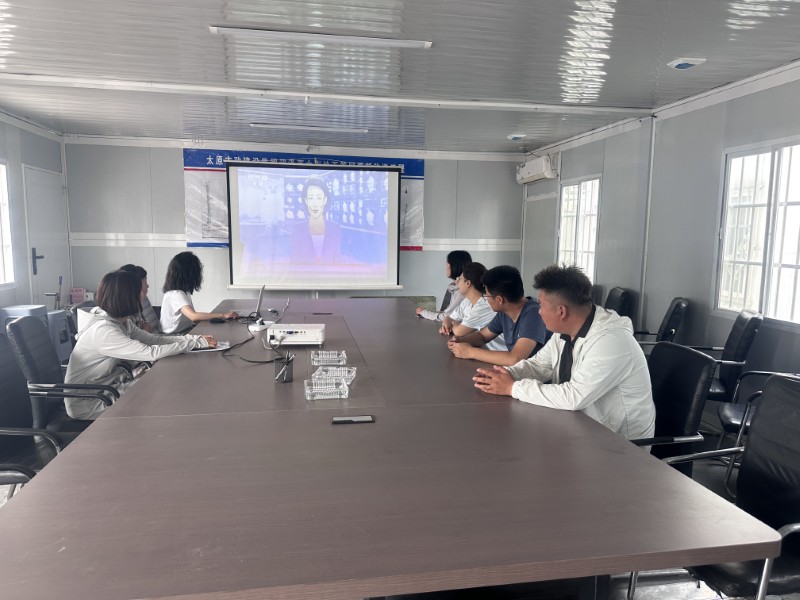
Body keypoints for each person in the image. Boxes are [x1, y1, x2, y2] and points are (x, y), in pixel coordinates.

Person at [472, 264, 655, 440]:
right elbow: (539, 365)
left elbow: (573, 396)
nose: (539, 311)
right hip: (579, 426)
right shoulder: (564, 332)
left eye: (541, 305)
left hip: (619, 444)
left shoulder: (610, 341)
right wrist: (505, 375)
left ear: (561, 311)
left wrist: (512, 387)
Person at [65, 270, 216, 420]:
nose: (144, 294)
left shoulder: (121, 322)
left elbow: (154, 340)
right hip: (89, 401)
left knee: (165, 386)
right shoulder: (104, 330)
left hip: (108, 389)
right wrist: (193, 343)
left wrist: (193, 339)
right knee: (163, 392)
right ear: (128, 297)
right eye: (141, 291)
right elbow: (151, 353)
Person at [448, 265, 549, 365]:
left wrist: (470, 352)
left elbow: (516, 358)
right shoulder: (505, 312)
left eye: (487, 295)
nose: (486, 299)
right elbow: (483, 336)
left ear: (499, 300)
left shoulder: (534, 314)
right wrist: (460, 341)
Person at [160, 251, 238, 334]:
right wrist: (223, 315)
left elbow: (193, 319)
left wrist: (218, 318)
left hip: (185, 330)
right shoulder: (176, 294)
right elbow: (193, 316)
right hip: (172, 336)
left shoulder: (184, 292)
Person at [438, 262, 504, 350]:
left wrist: (453, 324)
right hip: (482, 348)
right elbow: (451, 318)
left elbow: (459, 332)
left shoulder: (485, 304)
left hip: (497, 352)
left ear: (468, 283)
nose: (457, 282)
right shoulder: (467, 301)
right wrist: (447, 322)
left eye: (459, 278)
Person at [291, 177, 342, 263]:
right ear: (306, 201)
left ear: (325, 200)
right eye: (311, 198)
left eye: (319, 198)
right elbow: (294, 263)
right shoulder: (298, 229)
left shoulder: (335, 229)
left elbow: (337, 261)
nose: (315, 204)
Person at [416, 250, 472, 321]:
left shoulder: (463, 291)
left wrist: (425, 313)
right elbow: (446, 311)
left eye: (447, 263)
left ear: (454, 266)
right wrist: (426, 312)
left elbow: (448, 316)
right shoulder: (452, 286)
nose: (446, 267)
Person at [119, 264, 159, 333]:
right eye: (145, 282)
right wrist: (144, 331)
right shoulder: (122, 314)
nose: (148, 286)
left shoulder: (137, 304)